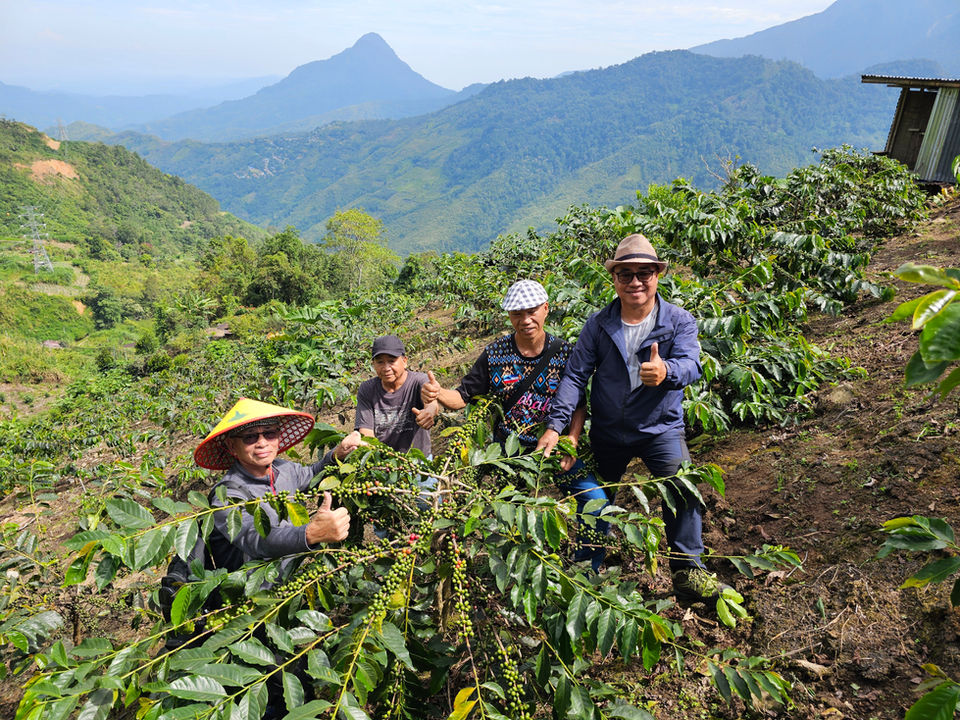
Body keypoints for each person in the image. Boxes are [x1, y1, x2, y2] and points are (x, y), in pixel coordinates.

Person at [536, 234, 726, 603]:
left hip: (660, 428)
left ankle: (689, 574)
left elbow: (692, 365)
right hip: (608, 431)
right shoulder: (598, 324)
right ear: (614, 279)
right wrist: (555, 427)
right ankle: (586, 571)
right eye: (625, 274)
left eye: (644, 273)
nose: (635, 282)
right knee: (594, 500)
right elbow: (575, 376)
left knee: (682, 491)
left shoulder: (678, 321)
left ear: (657, 275)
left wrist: (666, 370)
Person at [421, 279, 609, 569]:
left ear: (546, 309)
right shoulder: (495, 355)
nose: (525, 320)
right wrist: (437, 393)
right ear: (509, 316)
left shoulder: (565, 353)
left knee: (595, 502)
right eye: (517, 314)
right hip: (509, 451)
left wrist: (572, 438)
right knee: (513, 516)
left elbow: (579, 404)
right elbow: (462, 396)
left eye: (532, 311)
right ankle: (518, 570)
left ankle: (586, 567)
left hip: (554, 445)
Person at [193, 397, 361, 574]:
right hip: (254, 591)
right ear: (231, 445)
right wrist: (310, 534)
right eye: (250, 437)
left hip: (289, 577)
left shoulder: (284, 469)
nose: (262, 443)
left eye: (269, 433)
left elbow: (312, 475)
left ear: (278, 436)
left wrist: (338, 454)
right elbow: (255, 538)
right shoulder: (228, 494)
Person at [355, 335, 438, 454]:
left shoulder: (418, 381)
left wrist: (429, 412)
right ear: (373, 364)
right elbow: (366, 431)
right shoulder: (367, 389)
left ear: (404, 361)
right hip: (385, 464)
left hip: (417, 463)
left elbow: (431, 402)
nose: (386, 368)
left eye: (391, 361)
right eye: (380, 362)